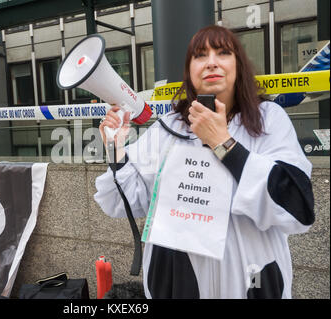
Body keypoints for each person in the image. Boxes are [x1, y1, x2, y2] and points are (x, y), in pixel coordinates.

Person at [94, 25, 315, 299]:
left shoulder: (269, 118)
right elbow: (127, 202)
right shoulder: (168, 127)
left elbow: (296, 209)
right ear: (189, 71)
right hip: (176, 283)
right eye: (200, 55)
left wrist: (223, 144)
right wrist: (116, 150)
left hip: (250, 282)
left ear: (239, 65)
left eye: (222, 52)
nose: (211, 62)